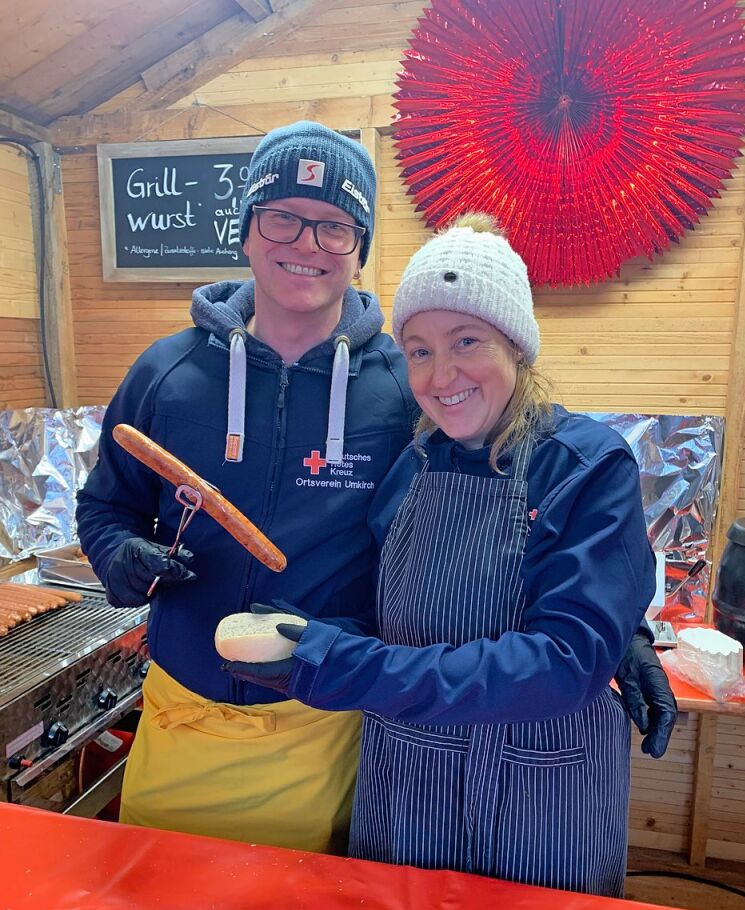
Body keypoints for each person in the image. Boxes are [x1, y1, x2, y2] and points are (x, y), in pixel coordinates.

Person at [76, 121, 675, 855]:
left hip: (332, 720)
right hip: (189, 708)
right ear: (245, 230)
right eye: (283, 217)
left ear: (358, 249)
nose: (306, 244)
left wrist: (617, 632)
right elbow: (105, 505)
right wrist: (119, 558)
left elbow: (536, 522)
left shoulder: (406, 389)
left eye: (334, 227)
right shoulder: (164, 374)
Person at [225, 214, 658, 896]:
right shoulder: (410, 466)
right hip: (408, 782)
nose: (441, 373)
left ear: (515, 345)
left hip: (539, 791)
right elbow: (385, 621)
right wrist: (305, 639)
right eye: (419, 350)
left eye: (466, 341)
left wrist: (354, 669)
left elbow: (561, 662)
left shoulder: (582, 465)